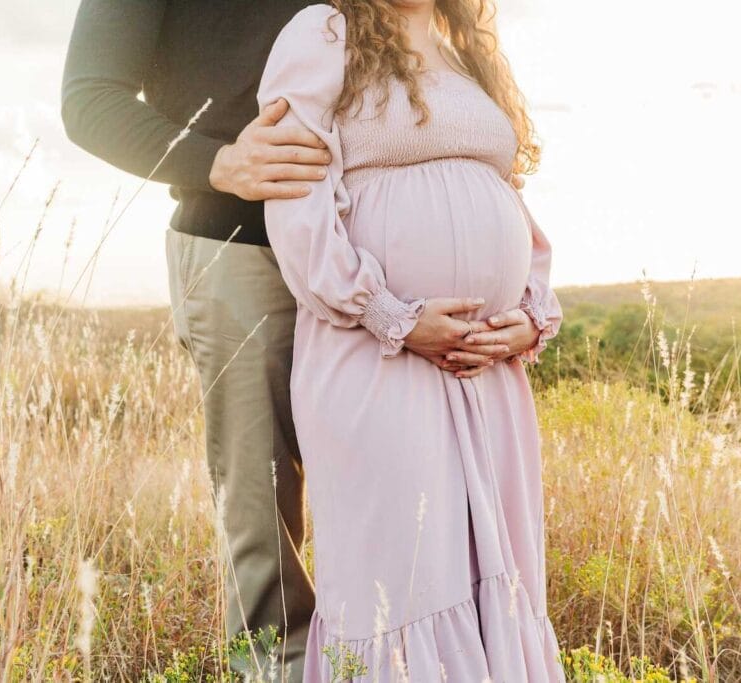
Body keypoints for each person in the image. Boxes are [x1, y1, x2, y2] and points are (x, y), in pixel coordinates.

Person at [60, 2, 546, 678]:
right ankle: (274, 669)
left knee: (404, 511)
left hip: (371, 262)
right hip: (238, 247)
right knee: (263, 500)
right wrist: (219, 162)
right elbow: (88, 101)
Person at [258, 1, 565, 680]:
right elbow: (294, 198)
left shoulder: (468, 45)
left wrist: (531, 313)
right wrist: (391, 313)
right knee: (398, 583)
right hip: (374, 355)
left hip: (487, 374)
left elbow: (505, 197)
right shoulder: (323, 34)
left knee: (498, 576)